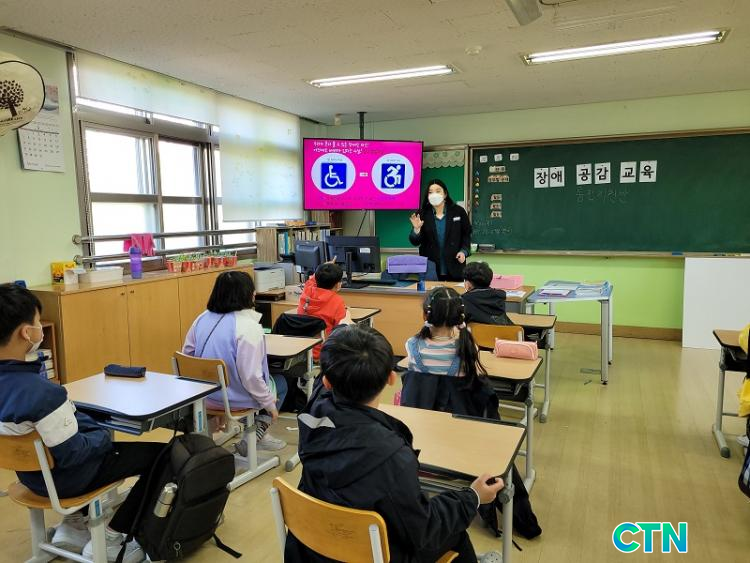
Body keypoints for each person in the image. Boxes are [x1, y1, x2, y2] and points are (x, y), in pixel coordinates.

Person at [285, 324, 505, 563]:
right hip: (373, 555)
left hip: (312, 547)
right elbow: (423, 530)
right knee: (455, 533)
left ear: (326, 382)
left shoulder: (311, 415)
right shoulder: (390, 456)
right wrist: (472, 497)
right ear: (392, 378)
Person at [0, 283, 155, 562]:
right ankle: (113, 536)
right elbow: (73, 453)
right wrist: (103, 434)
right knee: (163, 456)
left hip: (30, 477)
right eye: (37, 322)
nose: (40, 328)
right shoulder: (43, 393)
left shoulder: (24, 387)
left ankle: (72, 526)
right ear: (26, 333)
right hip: (67, 480)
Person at [183, 271, 288, 453]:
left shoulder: (201, 318)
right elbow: (251, 377)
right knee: (280, 383)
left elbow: (187, 356)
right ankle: (255, 435)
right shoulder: (249, 327)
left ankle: (251, 434)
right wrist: (270, 405)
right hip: (234, 400)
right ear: (249, 295)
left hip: (203, 397)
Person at [406, 287, 486, 385]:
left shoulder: (411, 344)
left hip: (422, 395)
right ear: (460, 316)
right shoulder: (468, 345)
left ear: (425, 315)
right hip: (457, 395)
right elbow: (475, 379)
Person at [409, 179, 472, 281]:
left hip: (455, 265)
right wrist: (416, 229)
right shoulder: (422, 214)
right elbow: (415, 242)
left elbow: (466, 234)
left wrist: (464, 251)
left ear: (445, 194)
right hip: (430, 268)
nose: (434, 195)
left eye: (438, 191)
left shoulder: (458, 211)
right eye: (430, 192)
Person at [297, 261, 352, 360]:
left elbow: (312, 280)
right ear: (338, 285)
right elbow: (342, 330)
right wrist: (347, 314)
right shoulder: (336, 301)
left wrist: (324, 268)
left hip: (301, 351)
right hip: (323, 354)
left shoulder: (306, 292)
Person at [461, 261, 512, 326]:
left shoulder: (464, 300)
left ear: (468, 284)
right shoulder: (499, 297)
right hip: (501, 332)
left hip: (476, 332)